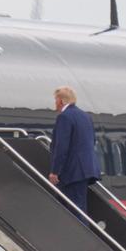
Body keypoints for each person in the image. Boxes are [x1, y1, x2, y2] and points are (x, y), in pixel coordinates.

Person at [48, 86, 101, 214]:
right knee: (77, 207)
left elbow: (62, 146)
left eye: (56, 100)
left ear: (61, 101)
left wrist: (55, 171)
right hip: (85, 170)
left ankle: (80, 233)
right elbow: (92, 141)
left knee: (74, 211)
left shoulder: (64, 117)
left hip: (72, 171)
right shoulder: (85, 116)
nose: (55, 103)